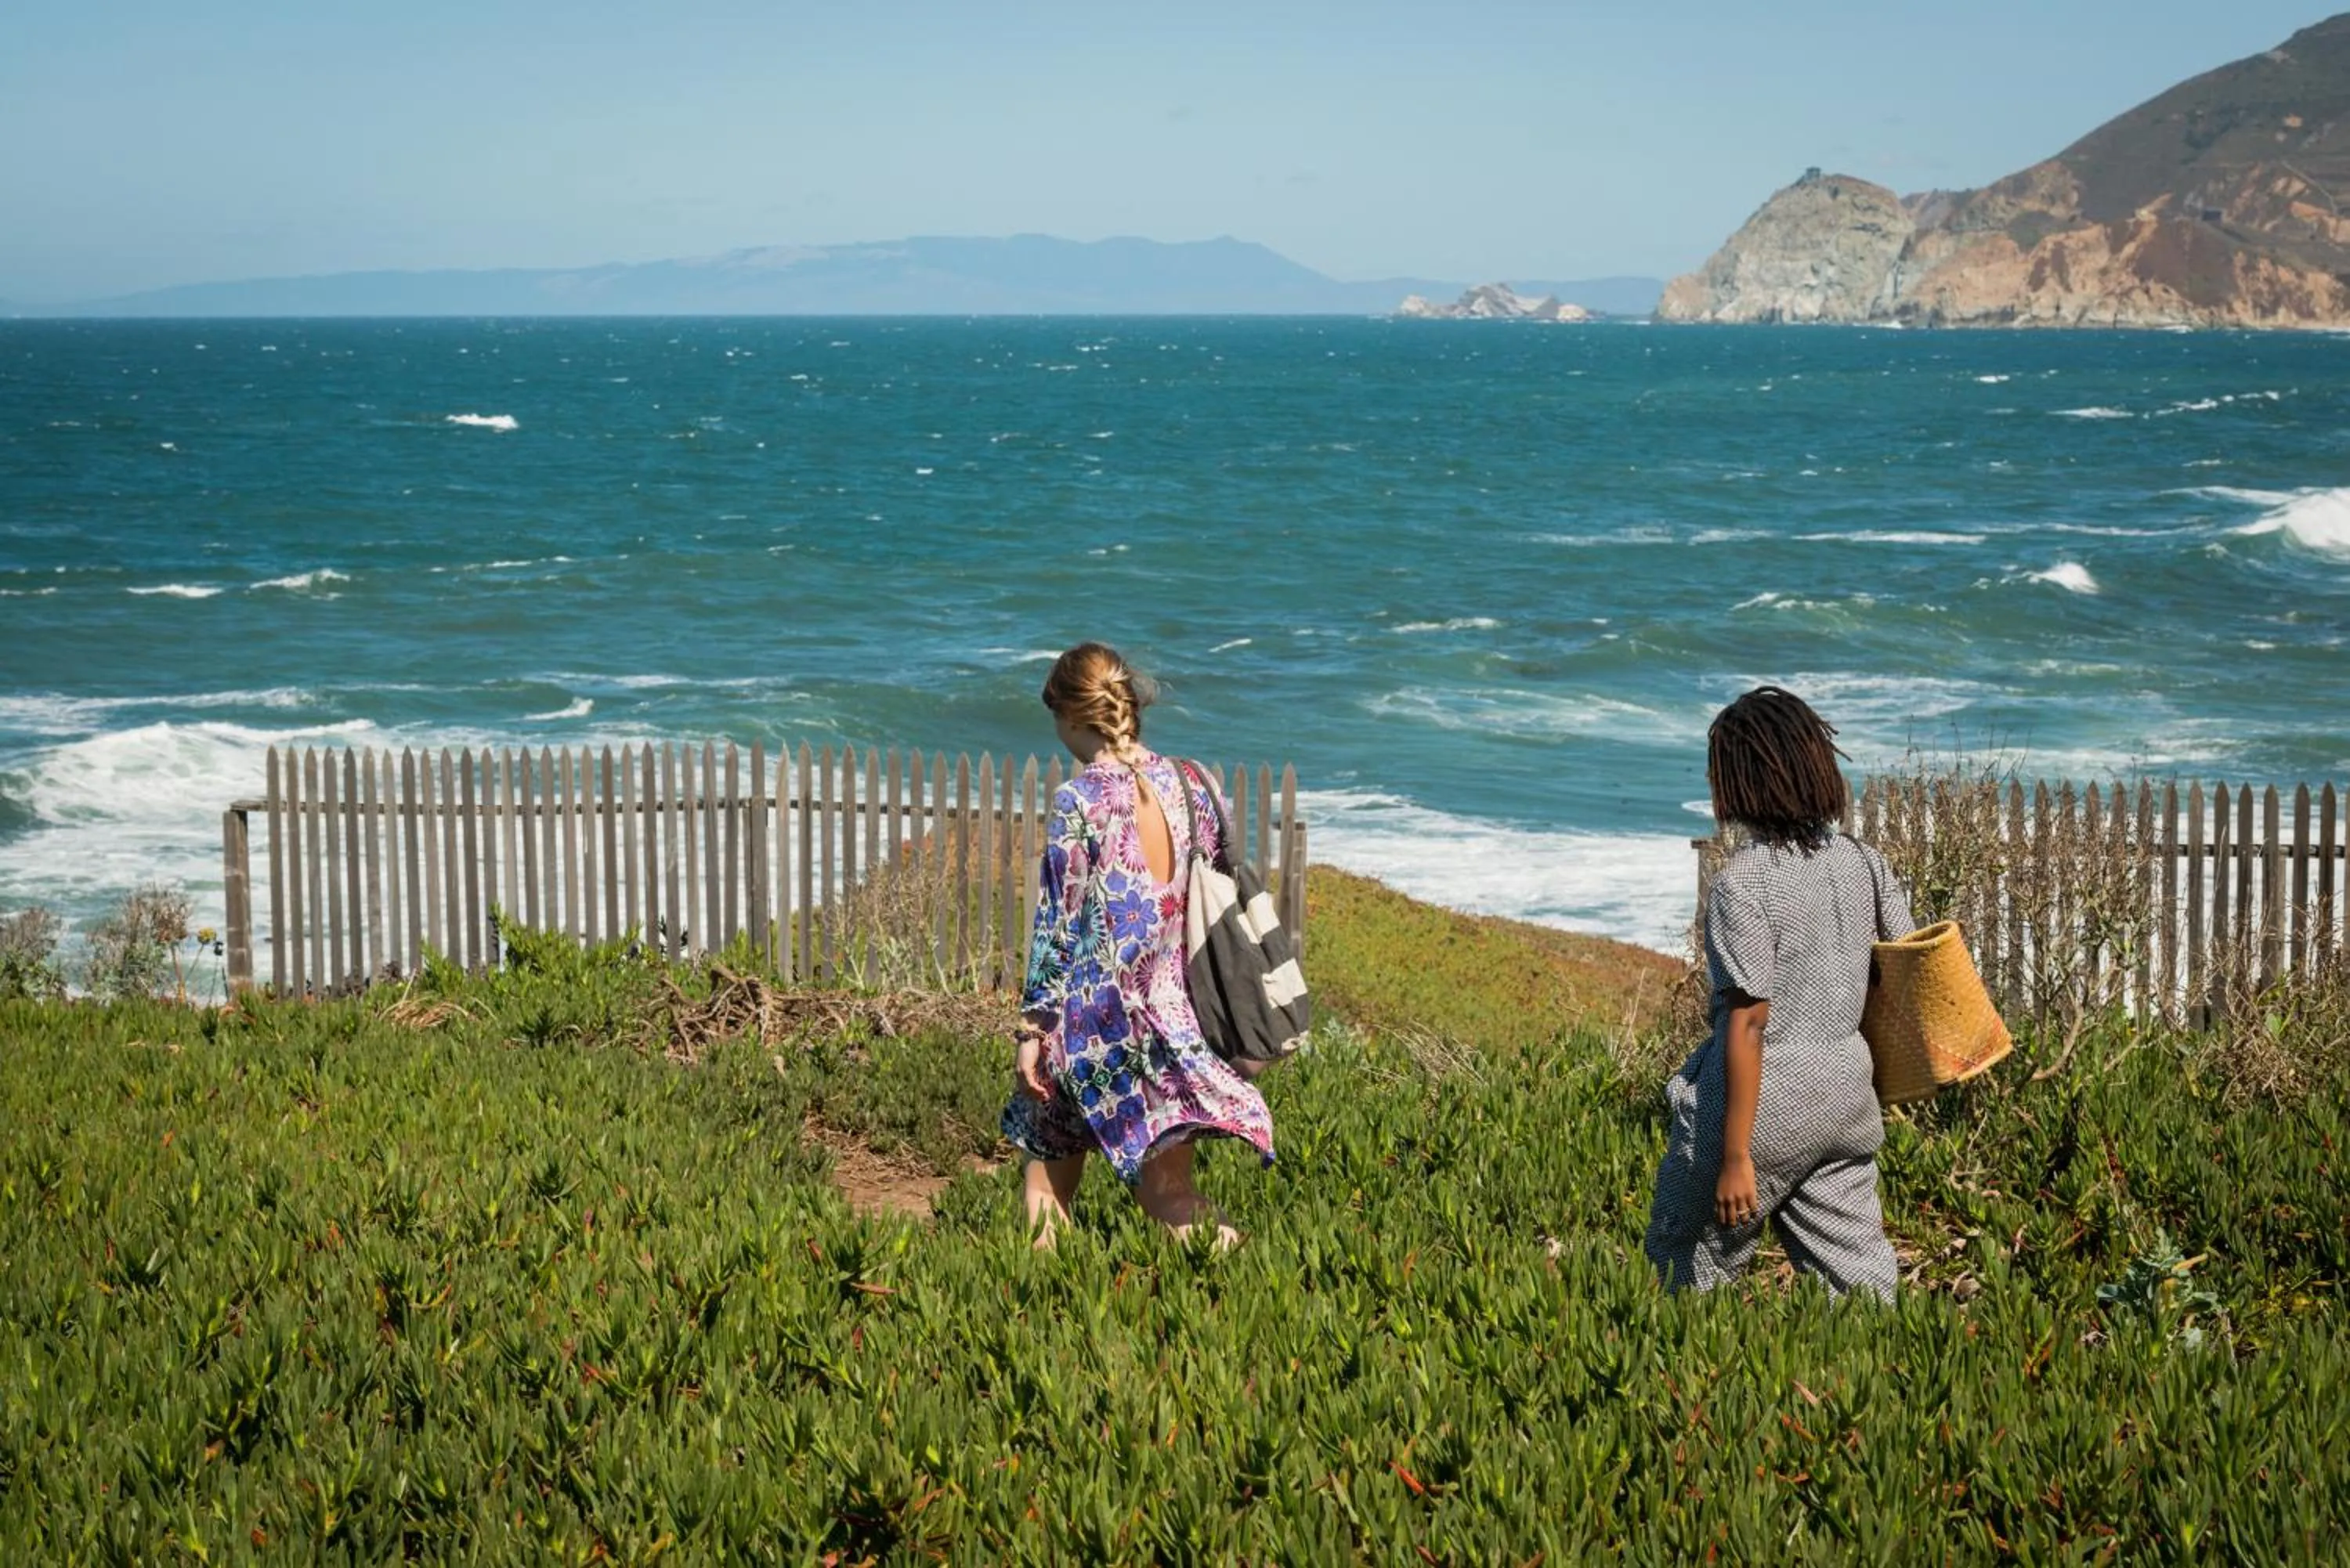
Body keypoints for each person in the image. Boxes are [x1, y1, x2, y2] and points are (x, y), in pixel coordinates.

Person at [1003, 642, 1275, 1249]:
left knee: (1046, 1183)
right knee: (1170, 1196)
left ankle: (1041, 1316)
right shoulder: (1193, 785)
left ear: (1074, 716)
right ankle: (1240, 1277)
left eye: (1055, 720)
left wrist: (1033, 1032)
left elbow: (1058, 926)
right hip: (1172, 1020)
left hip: (1091, 1026)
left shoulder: (1082, 800)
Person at [1643, 685, 1911, 1299]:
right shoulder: (1862, 861)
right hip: (1848, 1094)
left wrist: (1736, 1156)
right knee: (1859, 1277)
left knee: (1685, 1265)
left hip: (1763, 1108)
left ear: (1738, 784)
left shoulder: (1746, 885)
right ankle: (1885, 1378)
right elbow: (1907, 959)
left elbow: (1749, 1023)